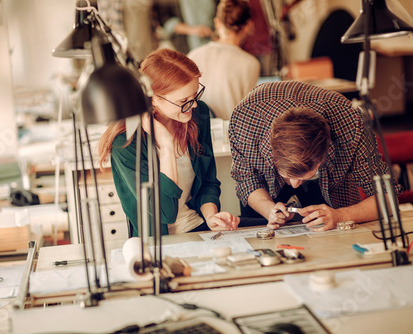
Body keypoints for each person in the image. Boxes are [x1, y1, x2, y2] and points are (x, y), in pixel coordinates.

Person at [98, 48, 240, 236]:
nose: (194, 105)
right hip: (157, 242)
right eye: (184, 100)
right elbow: (165, 213)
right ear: (154, 99)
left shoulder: (197, 115)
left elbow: (208, 182)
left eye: (195, 95)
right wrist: (166, 146)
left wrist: (211, 216)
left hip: (199, 228)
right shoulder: (125, 142)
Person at [229, 80, 401, 232]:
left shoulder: (350, 123)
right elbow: (247, 181)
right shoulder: (244, 121)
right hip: (265, 188)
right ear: (271, 154)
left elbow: (388, 196)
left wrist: (341, 215)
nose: (296, 185)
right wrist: (269, 210)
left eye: (305, 176)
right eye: (289, 176)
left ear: (324, 154)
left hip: (333, 189)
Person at [188, 0, 260, 120]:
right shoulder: (250, 63)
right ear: (248, 26)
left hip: (197, 133)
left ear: (217, 22)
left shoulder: (193, 55)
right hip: (230, 134)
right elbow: (246, 111)